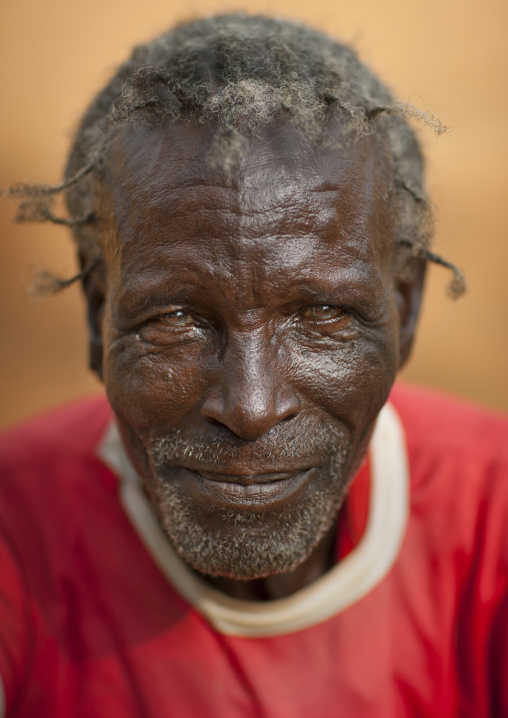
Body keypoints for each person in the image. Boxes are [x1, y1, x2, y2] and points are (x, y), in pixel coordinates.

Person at [0, 13, 507, 717]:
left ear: (406, 310)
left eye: (321, 315)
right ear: (96, 315)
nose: (250, 406)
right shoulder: (14, 530)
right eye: (175, 320)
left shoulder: (495, 513)